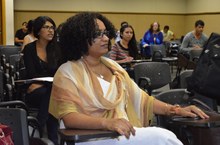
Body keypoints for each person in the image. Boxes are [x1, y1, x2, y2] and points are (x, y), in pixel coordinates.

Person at [49, 12, 209, 145]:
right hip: (91, 137)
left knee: (164, 137)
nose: (105, 38)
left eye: (106, 33)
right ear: (79, 38)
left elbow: (145, 100)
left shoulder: (114, 67)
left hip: (122, 132)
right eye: (98, 34)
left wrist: (177, 109)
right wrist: (108, 123)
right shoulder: (67, 72)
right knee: (163, 138)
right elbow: (69, 117)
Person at [22, 16, 63, 145]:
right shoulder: (29, 49)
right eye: (46, 27)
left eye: (52, 27)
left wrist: (42, 83)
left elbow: (60, 74)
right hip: (34, 91)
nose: (50, 30)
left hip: (49, 89)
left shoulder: (58, 49)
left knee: (51, 94)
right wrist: (44, 82)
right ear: (38, 31)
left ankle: (39, 124)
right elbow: (31, 74)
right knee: (51, 96)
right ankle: (53, 139)